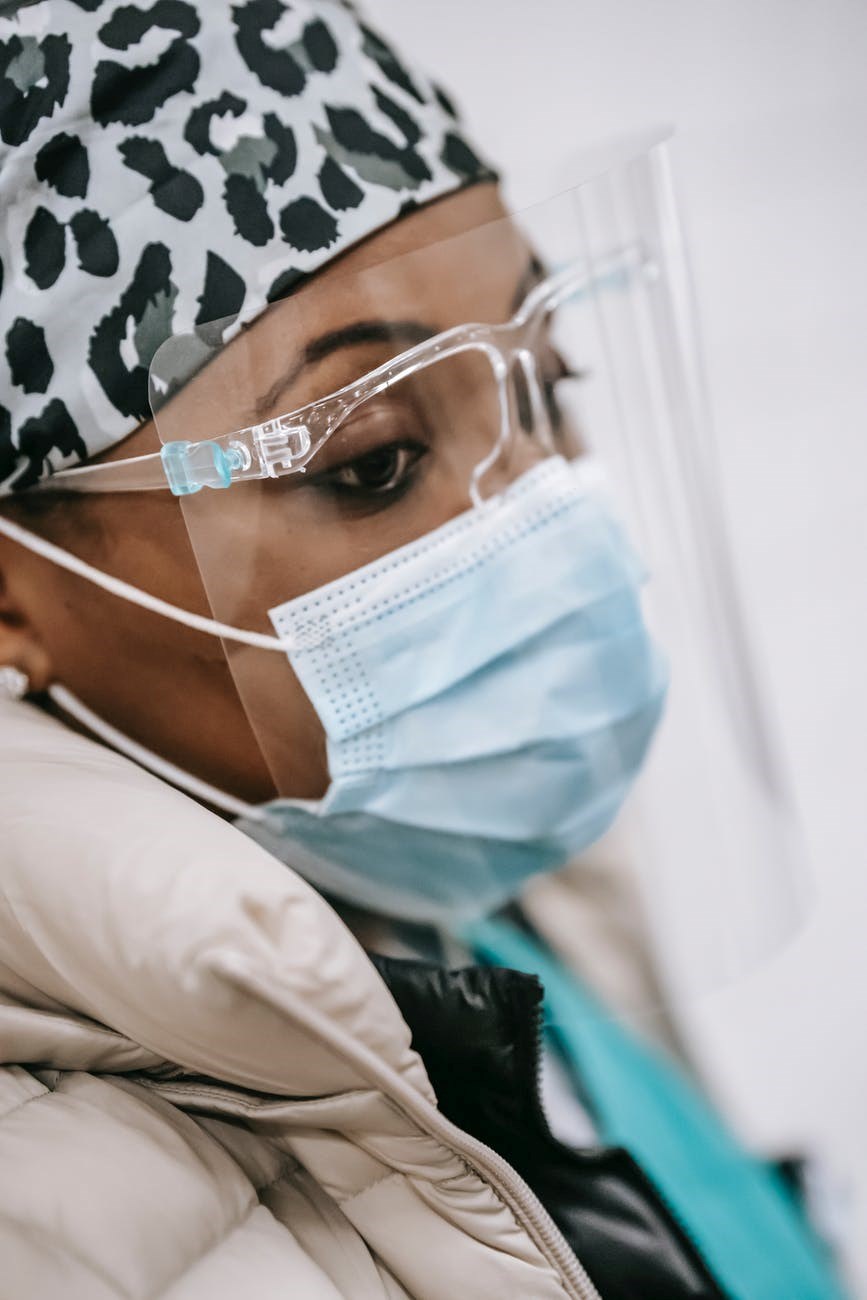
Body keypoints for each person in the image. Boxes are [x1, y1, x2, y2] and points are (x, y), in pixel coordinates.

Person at [0, 2, 849, 1297]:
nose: (538, 517)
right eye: (375, 462)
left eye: (545, 388)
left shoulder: (489, 899)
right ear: (16, 593)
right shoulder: (52, 1229)